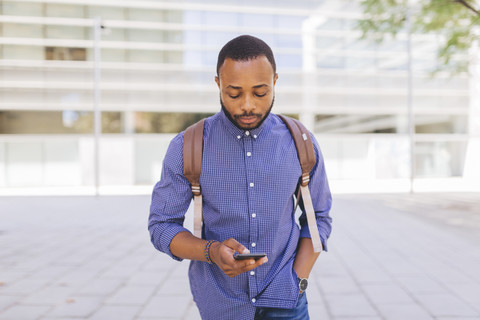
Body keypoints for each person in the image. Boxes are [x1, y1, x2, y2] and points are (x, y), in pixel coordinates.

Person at [148, 35, 332, 320]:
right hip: (220, 303)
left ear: (275, 82)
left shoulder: (301, 142)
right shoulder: (187, 146)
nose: (248, 105)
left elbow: (318, 217)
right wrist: (211, 251)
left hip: (286, 298)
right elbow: (161, 226)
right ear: (218, 84)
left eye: (260, 92)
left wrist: (298, 281)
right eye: (234, 93)